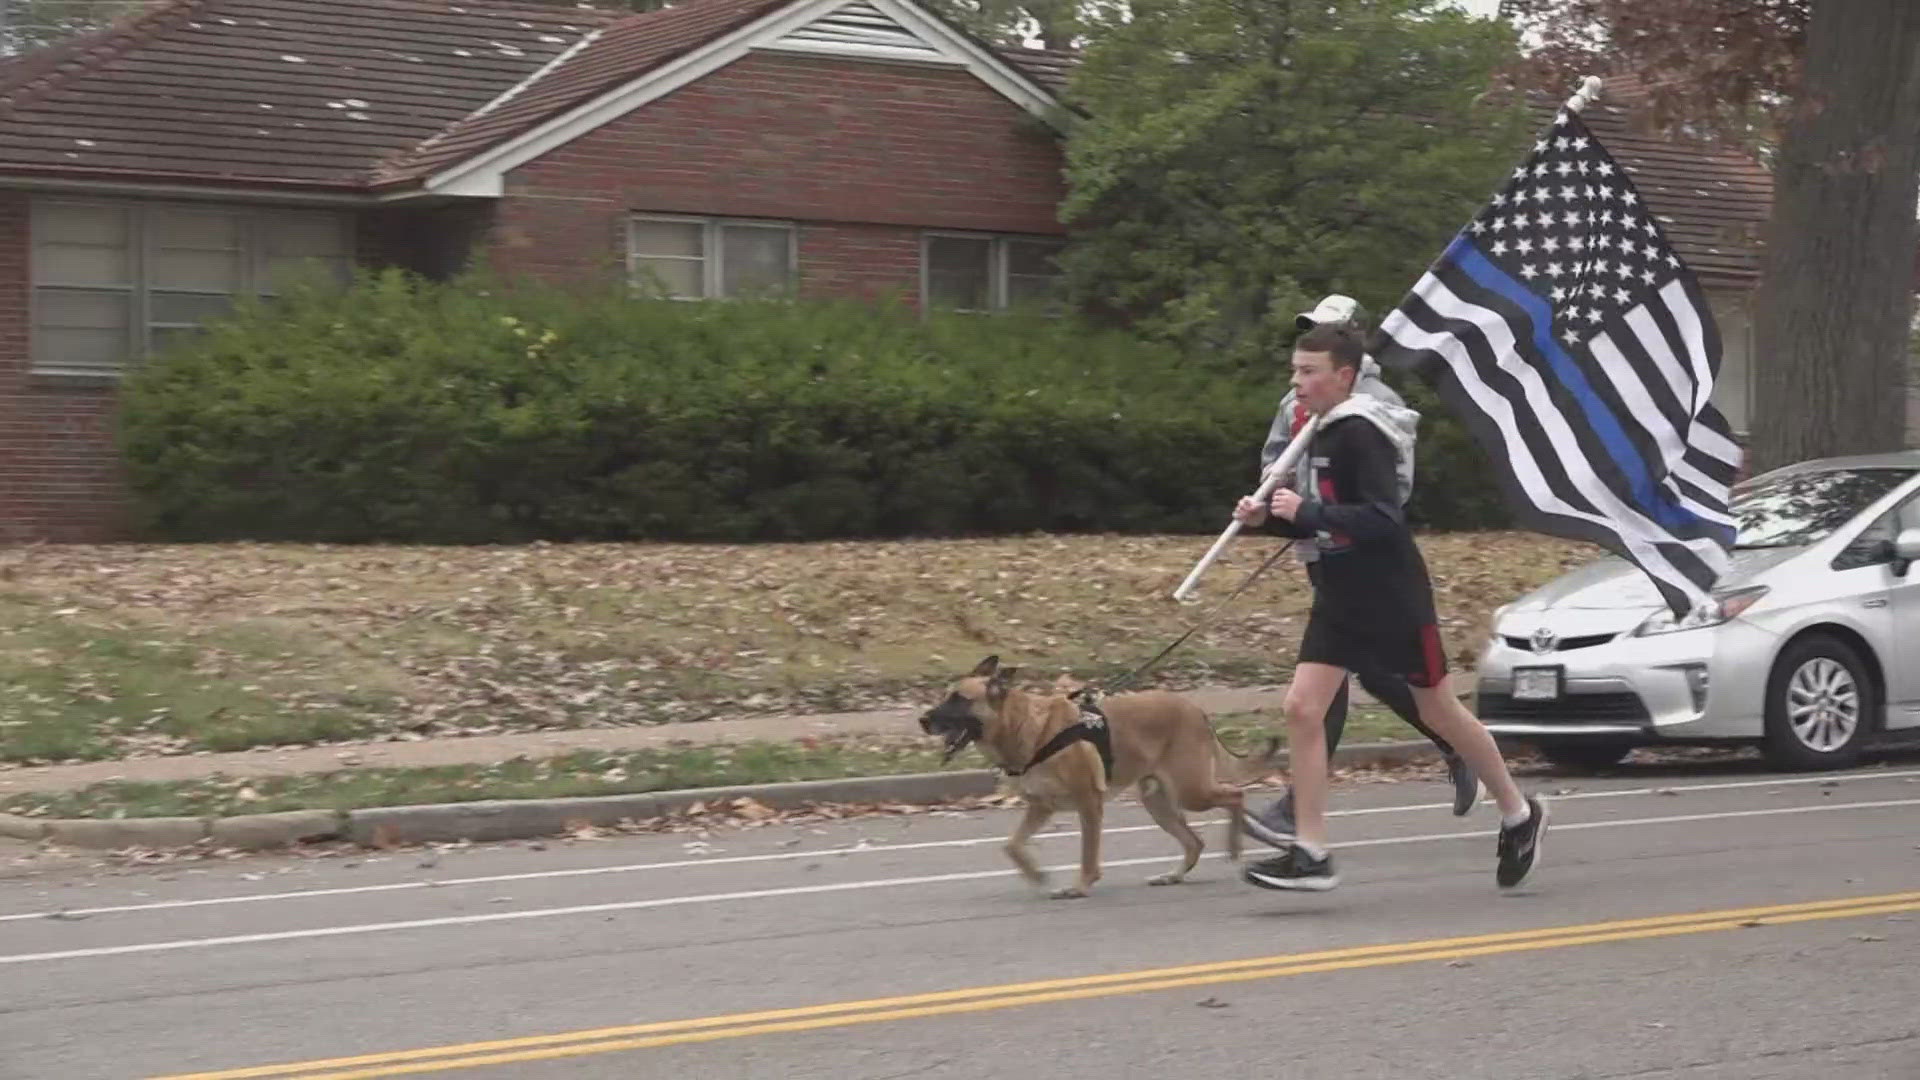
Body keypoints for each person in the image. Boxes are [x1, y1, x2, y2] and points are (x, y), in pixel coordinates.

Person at [1233, 321, 1547, 891]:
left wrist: (1304, 513)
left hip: (1391, 595)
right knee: (1303, 708)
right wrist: (1266, 517)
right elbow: (1311, 511)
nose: (1296, 383)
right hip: (1339, 593)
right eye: (1294, 371)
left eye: (1309, 372)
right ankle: (1311, 851)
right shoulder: (1315, 429)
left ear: (1344, 377)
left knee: (1439, 712)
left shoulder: (1362, 432)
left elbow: (1382, 517)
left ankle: (1519, 814)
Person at [1241, 295, 1479, 851]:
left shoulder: (1377, 405)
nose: (1303, 369)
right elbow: (1276, 460)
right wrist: (1275, 505)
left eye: (1324, 333)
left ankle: (1302, 815)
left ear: (1350, 344)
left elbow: (1389, 493)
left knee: (1347, 681)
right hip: (1317, 550)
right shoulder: (1295, 399)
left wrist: (1321, 511)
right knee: (1338, 680)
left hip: (1364, 559)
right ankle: (1308, 816)